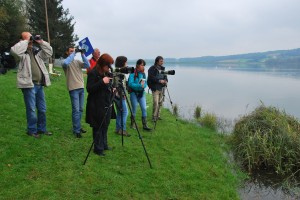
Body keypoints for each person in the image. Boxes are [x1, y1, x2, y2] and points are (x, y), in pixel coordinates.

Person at [10, 32, 53, 138]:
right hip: (29, 85)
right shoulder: (21, 54)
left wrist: (41, 42)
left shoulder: (36, 52)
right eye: (27, 38)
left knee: (42, 109)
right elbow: (14, 51)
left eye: (31, 37)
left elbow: (49, 52)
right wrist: (26, 41)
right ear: (22, 40)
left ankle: (42, 129)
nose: (30, 40)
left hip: (39, 85)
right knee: (31, 109)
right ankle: (32, 130)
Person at [86, 53, 114, 156]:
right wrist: (102, 82)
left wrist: (112, 88)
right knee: (98, 126)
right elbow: (89, 88)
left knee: (105, 125)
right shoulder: (93, 73)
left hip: (106, 103)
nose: (109, 68)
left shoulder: (106, 72)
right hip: (96, 104)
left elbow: (107, 86)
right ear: (103, 64)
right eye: (108, 65)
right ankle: (98, 148)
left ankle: (104, 144)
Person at [62, 47, 90, 138]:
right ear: (67, 52)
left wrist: (82, 54)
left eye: (73, 50)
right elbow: (66, 62)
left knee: (81, 109)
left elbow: (87, 65)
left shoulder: (77, 62)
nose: (73, 52)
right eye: (71, 51)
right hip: (73, 88)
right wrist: (74, 53)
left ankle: (78, 126)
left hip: (81, 87)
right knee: (76, 110)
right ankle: (76, 130)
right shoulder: (66, 63)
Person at [128, 59, 152, 131]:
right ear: (137, 65)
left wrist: (143, 86)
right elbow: (130, 84)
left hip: (141, 94)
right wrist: (139, 86)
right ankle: (132, 124)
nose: (143, 66)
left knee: (144, 108)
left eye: (143, 65)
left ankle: (145, 125)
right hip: (133, 93)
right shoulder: (132, 74)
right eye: (142, 65)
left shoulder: (143, 74)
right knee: (134, 108)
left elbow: (145, 83)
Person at [113, 56, 130, 136]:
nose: (127, 63)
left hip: (115, 95)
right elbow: (118, 84)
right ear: (122, 63)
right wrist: (122, 95)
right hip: (119, 95)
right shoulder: (120, 72)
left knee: (120, 112)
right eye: (126, 62)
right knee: (125, 112)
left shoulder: (116, 71)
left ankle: (117, 129)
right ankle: (122, 130)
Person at [147, 56, 168, 121]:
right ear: (157, 61)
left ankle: (158, 116)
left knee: (160, 103)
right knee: (156, 103)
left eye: (163, 61)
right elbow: (151, 78)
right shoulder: (152, 68)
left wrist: (166, 81)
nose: (162, 62)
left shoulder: (163, 68)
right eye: (161, 61)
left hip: (162, 88)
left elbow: (165, 77)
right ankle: (154, 117)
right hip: (155, 88)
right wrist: (159, 81)